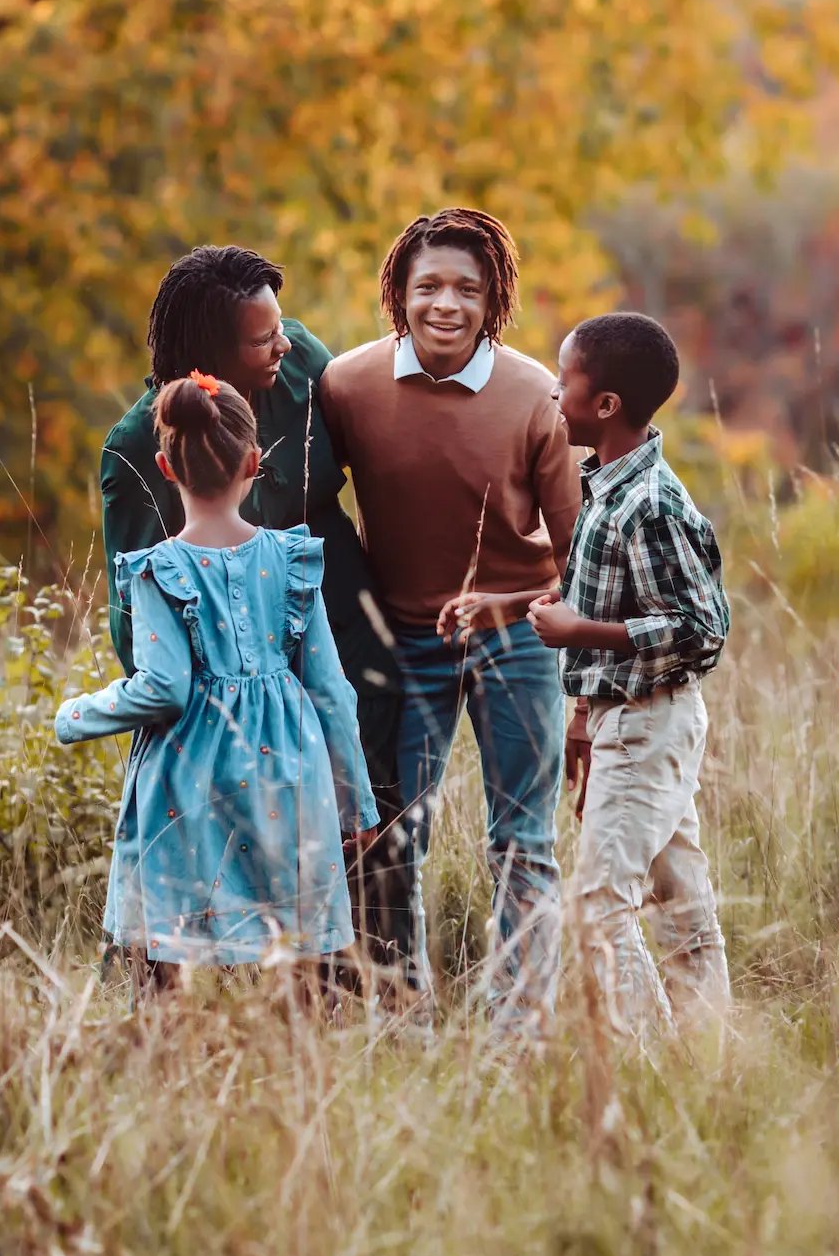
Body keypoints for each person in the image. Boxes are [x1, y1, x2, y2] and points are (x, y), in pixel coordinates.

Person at [100, 244, 408, 970]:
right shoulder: (141, 445)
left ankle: (371, 976)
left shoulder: (301, 366)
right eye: (260, 336)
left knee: (366, 793)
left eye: (280, 326)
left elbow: (375, 462)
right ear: (211, 352)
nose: (282, 341)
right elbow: (139, 609)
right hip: (224, 664)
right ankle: (186, 974)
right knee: (224, 819)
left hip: (334, 615)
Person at [320, 208, 584, 1029]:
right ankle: (402, 1015)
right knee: (394, 839)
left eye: (467, 290)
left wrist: (568, 668)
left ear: (494, 299)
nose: (446, 304)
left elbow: (579, 553)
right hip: (402, 642)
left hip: (518, 638)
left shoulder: (537, 395)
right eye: (427, 285)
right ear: (397, 293)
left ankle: (520, 1025)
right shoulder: (346, 386)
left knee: (521, 841)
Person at [450, 311, 731, 1034]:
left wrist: (582, 633)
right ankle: (710, 1062)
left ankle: (644, 1066)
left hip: (650, 724)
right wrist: (506, 607)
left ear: (603, 405)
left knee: (598, 910)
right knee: (678, 903)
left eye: (563, 379)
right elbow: (590, 594)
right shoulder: (603, 485)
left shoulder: (651, 503)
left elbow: (701, 630)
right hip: (618, 718)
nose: (551, 392)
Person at [59, 371, 378, 975]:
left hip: (189, 778)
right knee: (294, 939)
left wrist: (76, 715)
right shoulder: (293, 561)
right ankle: (301, 1058)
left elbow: (163, 687)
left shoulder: (158, 570)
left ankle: (167, 1053)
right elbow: (333, 692)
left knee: (170, 941)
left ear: (165, 466)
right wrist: (355, 804)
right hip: (291, 773)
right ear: (254, 462)